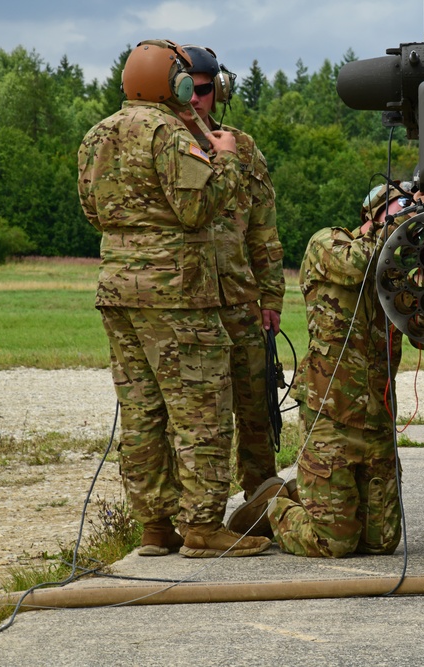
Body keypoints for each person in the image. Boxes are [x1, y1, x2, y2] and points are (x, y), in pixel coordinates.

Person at [76, 39, 271, 558]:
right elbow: (198, 209)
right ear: (175, 83)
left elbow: (93, 213)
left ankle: (155, 527)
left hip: (117, 293)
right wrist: (225, 163)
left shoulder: (98, 135)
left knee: (142, 413)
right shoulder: (167, 133)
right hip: (179, 295)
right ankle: (204, 528)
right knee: (201, 410)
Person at [264, 183, 421, 557]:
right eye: (400, 207)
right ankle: (272, 507)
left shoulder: (398, 267)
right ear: (373, 214)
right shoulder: (328, 244)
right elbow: (355, 267)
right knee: (333, 543)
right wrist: (397, 230)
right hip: (330, 413)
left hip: (377, 418)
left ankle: (307, 497)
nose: (408, 216)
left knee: (381, 544)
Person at [172, 45, 289, 537]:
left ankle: (260, 498)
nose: (195, 99)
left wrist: (271, 297)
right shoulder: (163, 144)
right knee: (194, 413)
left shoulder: (241, 146)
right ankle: (190, 514)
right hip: (184, 301)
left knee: (256, 401)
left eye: (203, 90)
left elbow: (263, 228)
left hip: (240, 298)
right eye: (186, 89)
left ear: (218, 90)